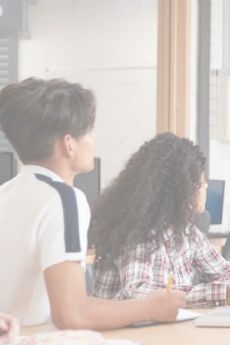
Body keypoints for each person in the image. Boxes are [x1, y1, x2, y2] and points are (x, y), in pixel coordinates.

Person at [0, 78, 185, 329]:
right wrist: (150, 308)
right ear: (69, 145)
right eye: (89, 130)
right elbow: (71, 315)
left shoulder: (6, 192)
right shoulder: (63, 199)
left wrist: (143, 304)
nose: (93, 139)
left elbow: (72, 304)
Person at [90, 133, 230, 307]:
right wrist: (222, 294)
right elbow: (138, 293)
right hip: (124, 325)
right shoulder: (140, 231)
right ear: (183, 188)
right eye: (201, 181)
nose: (206, 186)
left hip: (166, 323)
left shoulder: (188, 232)